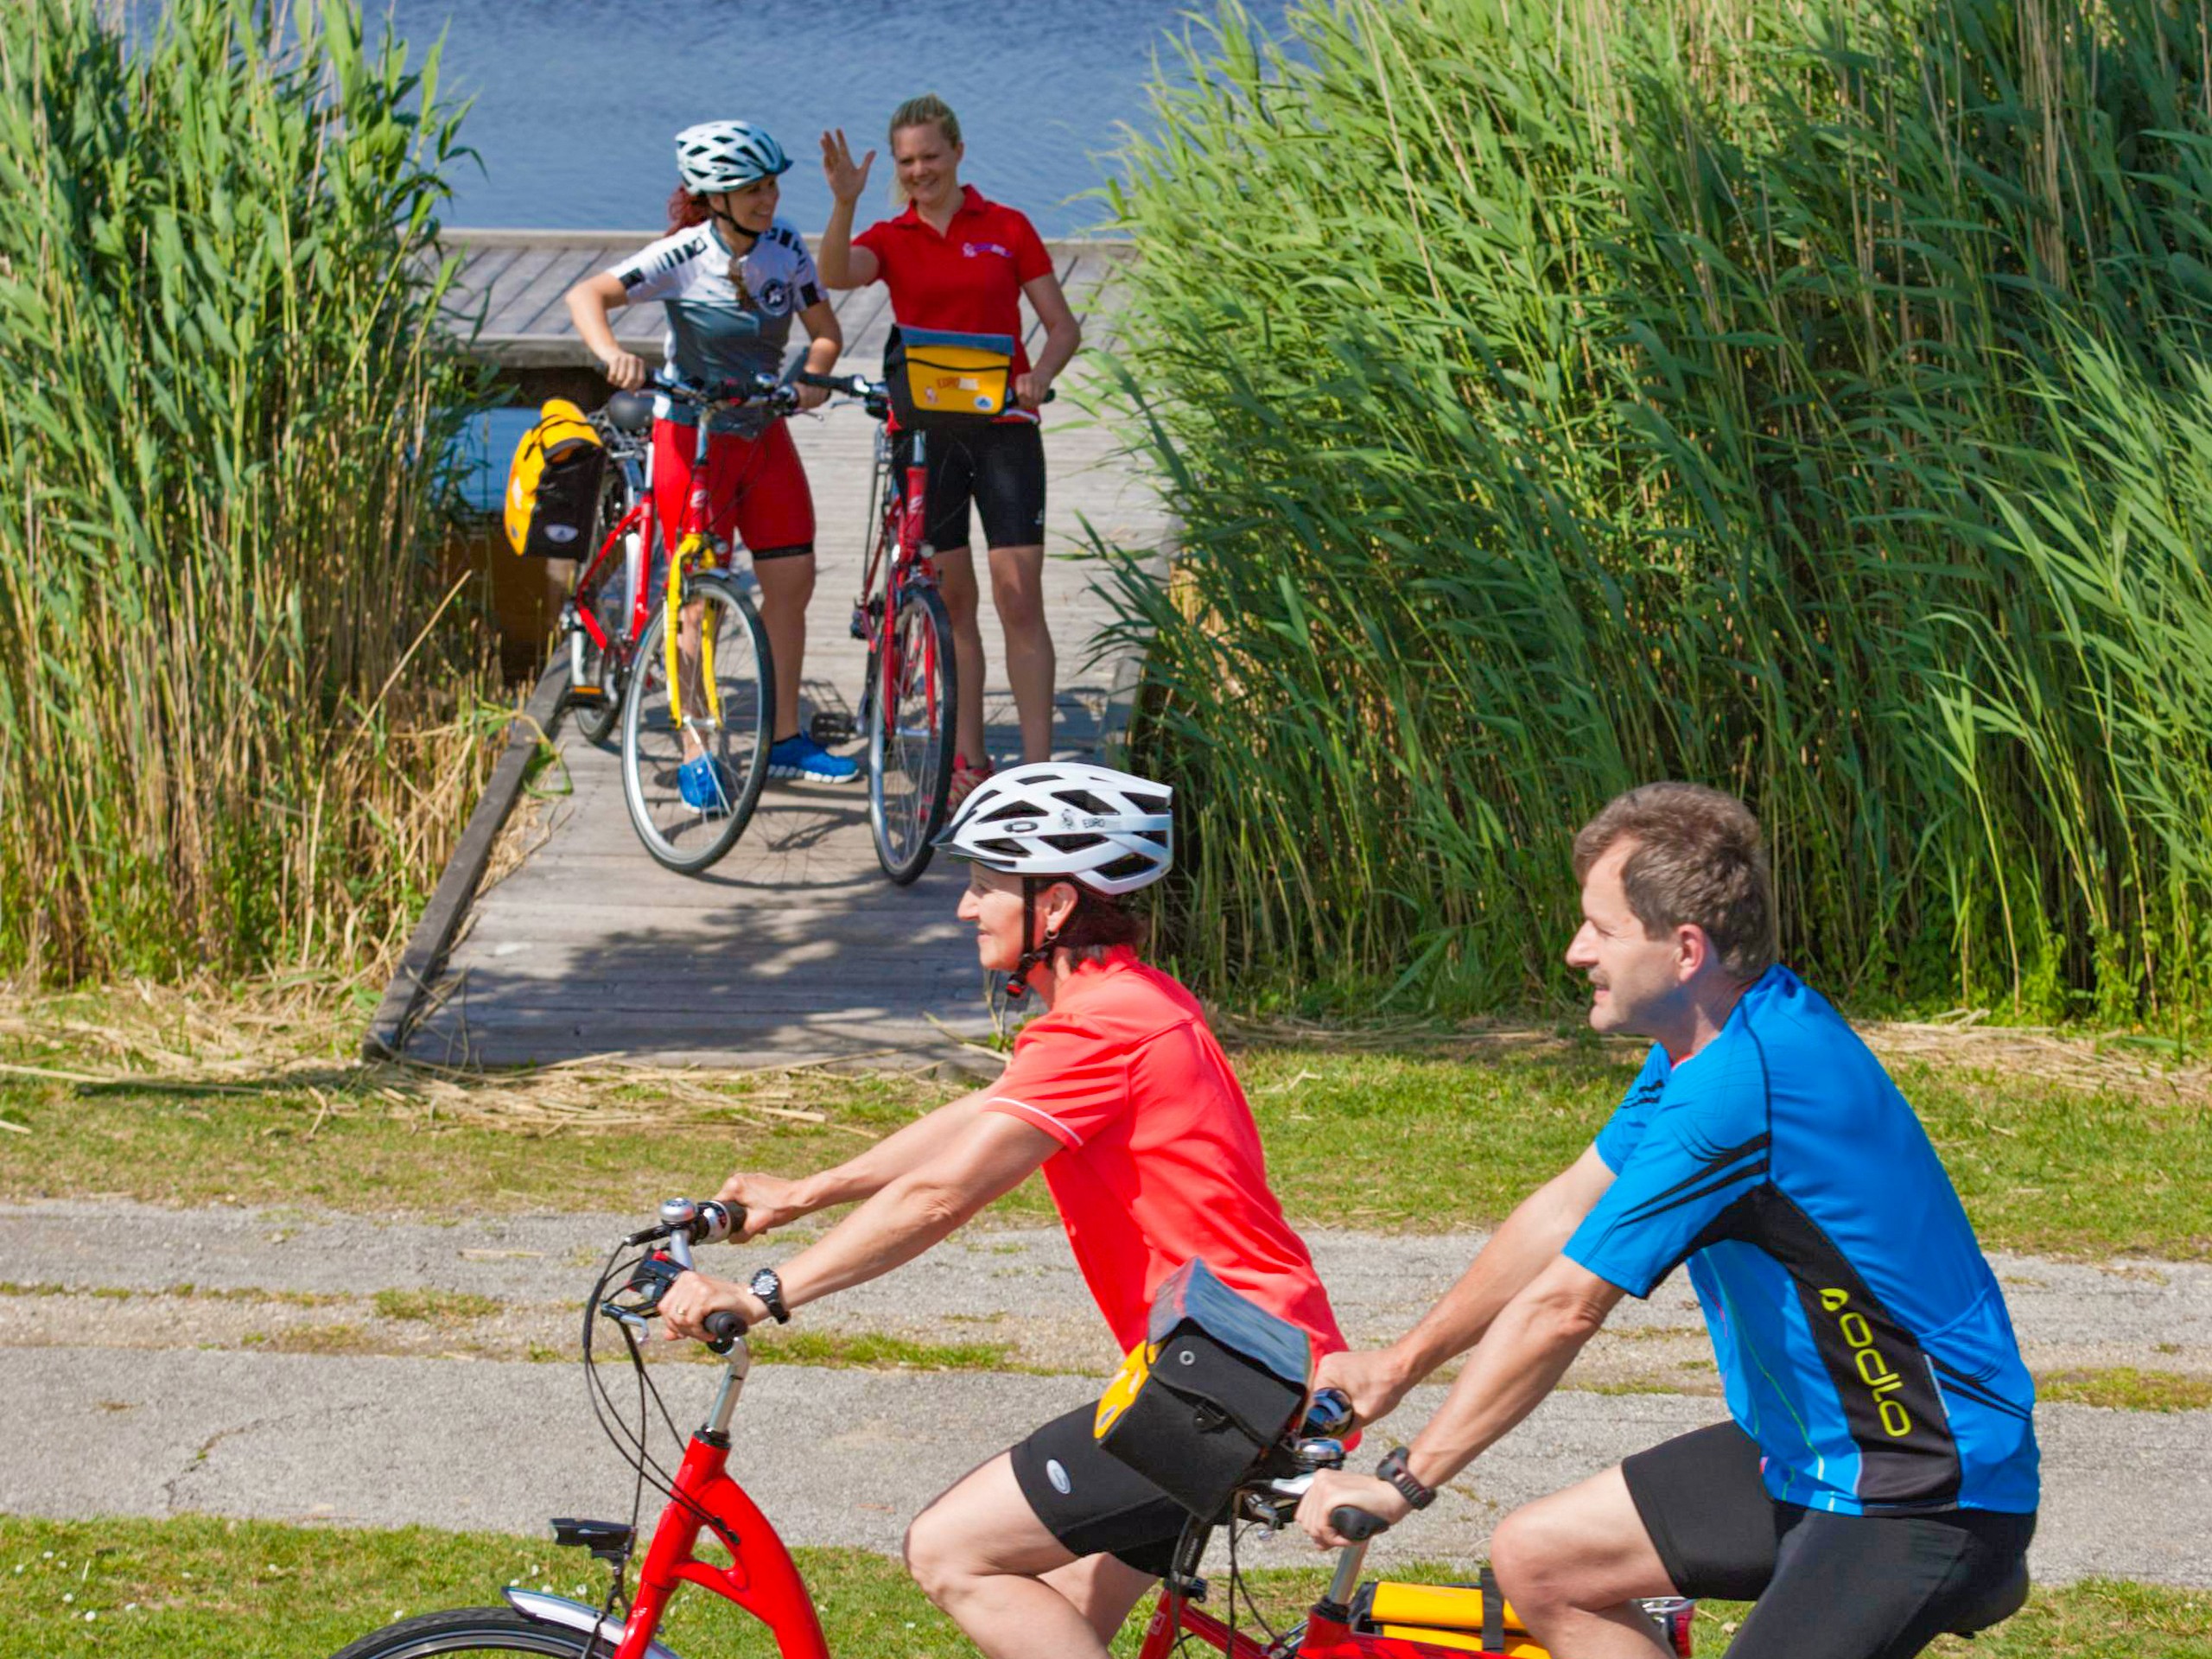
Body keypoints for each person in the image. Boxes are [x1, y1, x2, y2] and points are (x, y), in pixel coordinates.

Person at [1296, 783, 2039, 1659]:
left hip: (1923, 1484)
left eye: (1601, 930)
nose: (1577, 952)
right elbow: (1567, 1206)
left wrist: (1405, 1482)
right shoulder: (1707, 1041)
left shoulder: (1738, 1090)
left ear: (1685, 949)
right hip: (1809, 1451)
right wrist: (1399, 1363)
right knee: (1540, 1562)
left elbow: (1564, 1307)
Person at [658, 762, 1347, 1659]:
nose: (965, 907)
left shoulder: (1103, 1027)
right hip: (1235, 1364)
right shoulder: (1125, 1004)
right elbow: (983, 1118)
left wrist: (764, 1292)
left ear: (1053, 907)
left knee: (952, 1551)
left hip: (1224, 1382)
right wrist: (805, 1192)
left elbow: (943, 1194)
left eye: (984, 884)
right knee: (1063, 1611)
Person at [564, 119, 857, 793]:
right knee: (698, 600)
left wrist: (813, 373)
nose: (768, 198)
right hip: (692, 438)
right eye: (751, 188)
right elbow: (588, 295)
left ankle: (784, 739)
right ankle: (699, 748)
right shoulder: (683, 254)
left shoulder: (786, 249)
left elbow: (827, 332)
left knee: (793, 583)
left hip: (761, 433)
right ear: (713, 197)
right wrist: (611, 353)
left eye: (772, 185)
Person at [815, 96, 1084, 800]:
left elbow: (1061, 327)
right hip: (926, 438)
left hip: (1004, 433)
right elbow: (836, 275)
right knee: (954, 603)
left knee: (1018, 598)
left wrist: (1039, 376)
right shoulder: (891, 234)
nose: (918, 171)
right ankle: (968, 764)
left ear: (958, 151)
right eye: (905, 162)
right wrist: (844, 202)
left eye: (930, 157)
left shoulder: (1006, 227)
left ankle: (1039, 771)